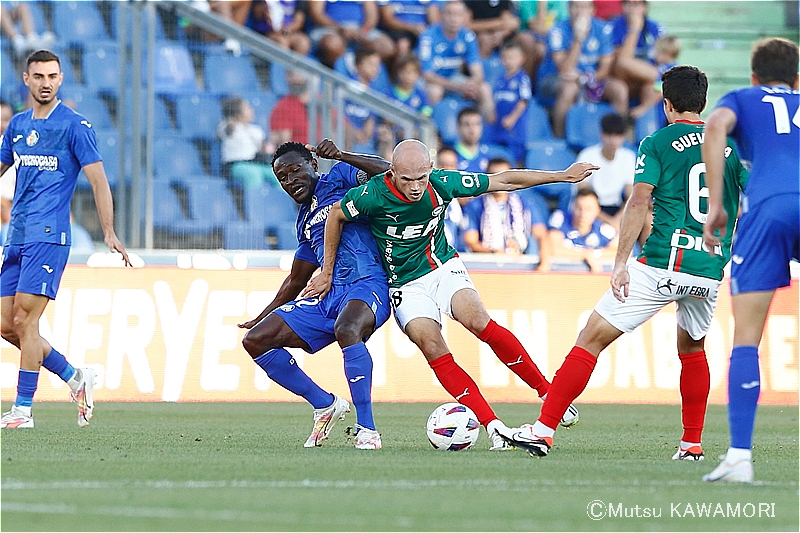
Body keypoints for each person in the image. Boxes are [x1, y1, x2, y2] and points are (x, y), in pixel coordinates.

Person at [507, 65, 748, 458]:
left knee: (591, 338)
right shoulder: (731, 147)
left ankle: (542, 430)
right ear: (703, 103)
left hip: (660, 264)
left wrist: (620, 262)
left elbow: (638, 201)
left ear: (667, 105)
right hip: (708, 269)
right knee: (692, 351)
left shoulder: (657, 142)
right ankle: (692, 445)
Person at [306, 139, 598, 451]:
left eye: (421, 178)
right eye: (407, 179)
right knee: (432, 345)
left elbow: (505, 180)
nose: (416, 187)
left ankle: (546, 392)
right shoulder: (372, 194)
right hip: (404, 284)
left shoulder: (443, 184)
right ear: (392, 173)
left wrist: (562, 175)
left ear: (430, 170)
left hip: (441, 267)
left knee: (477, 320)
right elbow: (336, 214)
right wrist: (326, 271)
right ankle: (494, 426)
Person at [0, 50, 131, 429]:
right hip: (17, 235)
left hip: (49, 236)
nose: (45, 82)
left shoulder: (75, 126)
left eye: (52, 76)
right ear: (26, 79)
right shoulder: (18, 126)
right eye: (38, 76)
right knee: (7, 325)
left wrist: (108, 230)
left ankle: (22, 410)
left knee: (26, 318)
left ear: (60, 79)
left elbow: (98, 180)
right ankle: (76, 377)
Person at [238, 139, 391, 450]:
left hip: (367, 283)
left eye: (296, 171)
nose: (291, 181)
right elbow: (296, 280)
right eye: (283, 177)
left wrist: (343, 154)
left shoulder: (341, 177)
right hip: (328, 296)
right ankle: (325, 405)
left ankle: (368, 430)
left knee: (348, 329)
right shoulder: (304, 222)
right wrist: (261, 316)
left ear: (314, 165)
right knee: (256, 340)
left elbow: (389, 172)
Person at [701, 38, 799, 484]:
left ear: (754, 76)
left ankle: (740, 456)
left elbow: (715, 125)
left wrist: (718, 203)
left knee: (746, 338)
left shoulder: (742, 97)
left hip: (770, 208)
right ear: (797, 79)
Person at [541, 0, 628, 138]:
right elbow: (564, 69)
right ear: (569, 9)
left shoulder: (602, 29)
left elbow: (605, 69)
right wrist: (578, 39)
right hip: (556, 79)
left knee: (619, 89)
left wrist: (585, 78)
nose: (580, 11)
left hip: (591, 77)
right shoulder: (557, 30)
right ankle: (560, 139)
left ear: (592, 10)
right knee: (570, 89)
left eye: (585, 6)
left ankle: (618, 136)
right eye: (576, 6)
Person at [417, 0, 493, 118]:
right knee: (435, 91)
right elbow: (427, 75)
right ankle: (430, 131)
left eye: (458, 14)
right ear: (442, 15)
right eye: (449, 14)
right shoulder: (428, 36)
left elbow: (477, 71)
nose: (454, 19)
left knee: (484, 89)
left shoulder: (468, 36)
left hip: (453, 78)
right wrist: (458, 87)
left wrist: (472, 83)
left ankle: (488, 131)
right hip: (430, 81)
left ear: (464, 17)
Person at [576, 113, 636, 231]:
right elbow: (582, 193)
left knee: (648, 219)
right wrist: (610, 222)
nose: (613, 141)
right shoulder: (587, 155)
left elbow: (631, 196)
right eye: (609, 135)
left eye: (618, 136)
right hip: (590, 209)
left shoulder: (628, 157)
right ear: (601, 135)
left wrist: (618, 219)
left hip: (617, 208)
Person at [608, 0, 666, 119]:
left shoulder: (655, 28)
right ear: (623, 7)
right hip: (620, 78)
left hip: (645, 79)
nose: (633, 9)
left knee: (651, 88)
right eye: (629, 4)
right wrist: (634, 30)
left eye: (637, 4)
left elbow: (663, 58)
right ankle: (621, 131)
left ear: (645, 7)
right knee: (620, 88)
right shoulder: (612, 26)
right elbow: (622, 62)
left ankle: (647, 132)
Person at [463, 158, 530, 255]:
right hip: (488, 262)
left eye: (504, 176)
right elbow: (471, 241)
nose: (500, 181)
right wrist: (494, 252)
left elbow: (540, 234)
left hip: (519, 260)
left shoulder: (522, 202)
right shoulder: (475, 205)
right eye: (495, 176)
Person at [484, 40, 533, 166]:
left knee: (514, 159)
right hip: (498, 127)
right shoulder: (500, 79)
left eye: (512, 58)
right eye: (505, 58)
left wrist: (512, 117)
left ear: (522, 59)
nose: (508, 61)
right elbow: (496, 100)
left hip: (514, 130)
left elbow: (524, 101)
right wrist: (492, 113)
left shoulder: (522, 79)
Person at [308, 0, 395, 68]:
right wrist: (340, 29)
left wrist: (363, 31)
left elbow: (372, 16)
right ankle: (340, 75)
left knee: (386, 47)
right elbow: (317, 14)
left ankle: (365, 78)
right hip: (330, 28)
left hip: (359, 29)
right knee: (333, 43)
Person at [548, 188, 617, 272]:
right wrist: (585, 255)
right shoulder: (560, 220)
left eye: (588, 209)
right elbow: (553, 249)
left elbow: (621, 252)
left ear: (597, 210)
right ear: (573, 207)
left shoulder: (604, 230)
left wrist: (594, 254)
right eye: (579, 208)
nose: (583, 214)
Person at [218, 96, 276, 189]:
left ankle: (282, 201)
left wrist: (267, 147)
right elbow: (224, 132)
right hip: (235, 165)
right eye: (247, 108)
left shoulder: (256, 130)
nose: (251, 110)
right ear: (237, 114)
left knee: (277, 175)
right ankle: (255, 201)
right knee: (253, 174)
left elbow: (262, 148)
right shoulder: (228, 126)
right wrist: (230, 121)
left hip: (254, 163)